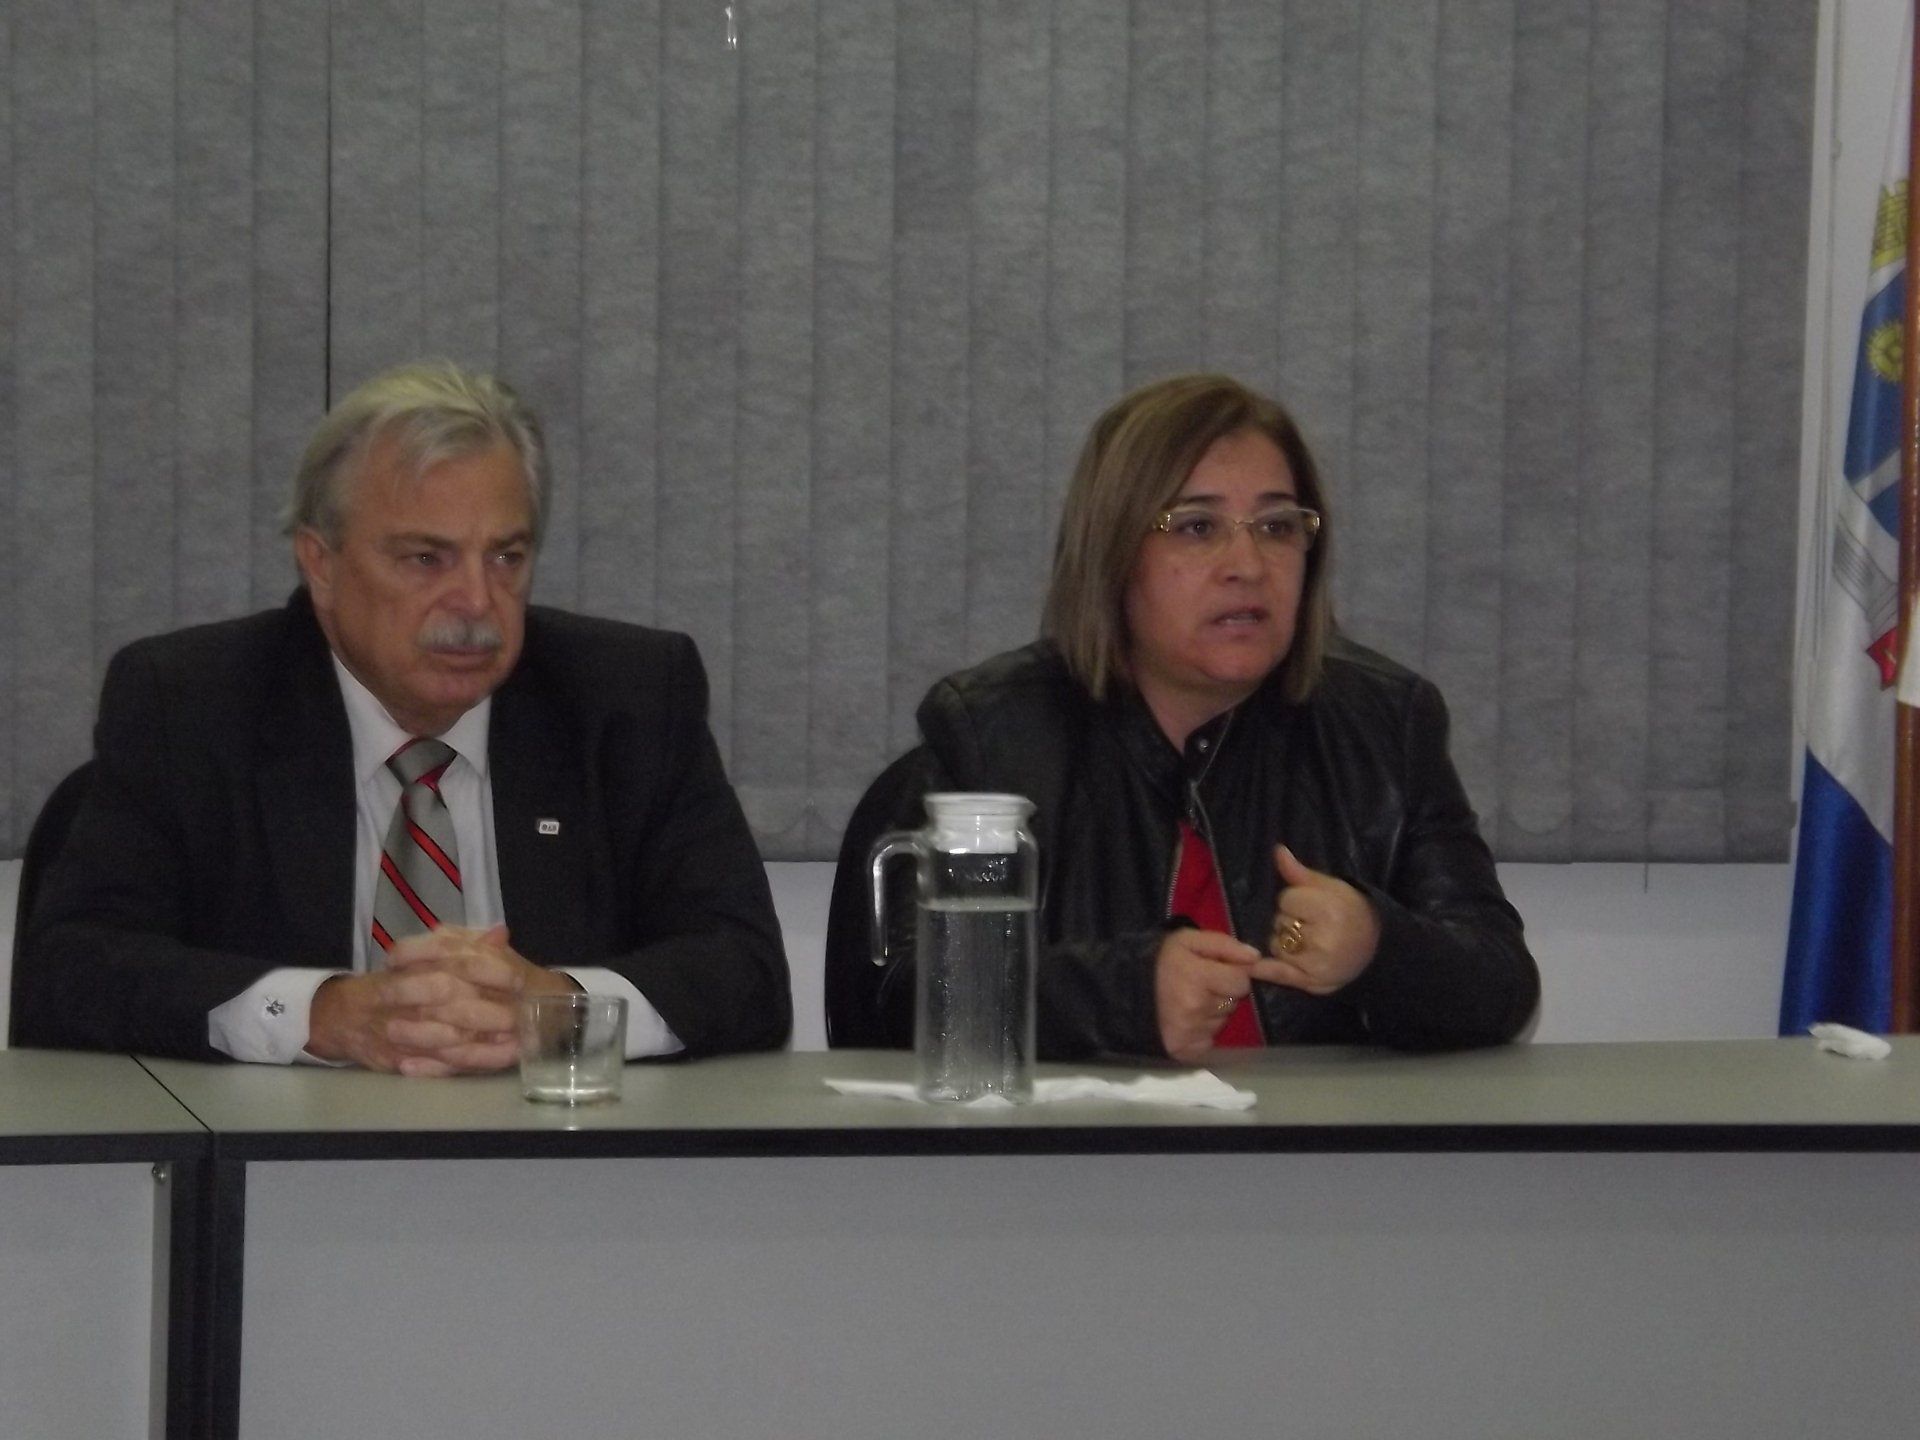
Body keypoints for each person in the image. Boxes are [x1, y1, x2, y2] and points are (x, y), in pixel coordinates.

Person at [14, 361, 790, 1069]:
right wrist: (319, 1014)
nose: (477, 602)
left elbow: (745, 972)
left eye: (506, 557)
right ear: (321, 564)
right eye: (426, 559)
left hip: (562, 1162)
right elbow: (73, 969)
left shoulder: (628, 700)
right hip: (282, 1161)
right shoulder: (190, 704)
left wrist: (560, 1008)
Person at [825, 373, 1537, 1062]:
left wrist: (1379, 947)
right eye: (1197, 527)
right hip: (1083, 1144)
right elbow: (895, 1003)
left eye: (1277, 526)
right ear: (1112, 555)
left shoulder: (1382, 725)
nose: (1247, 565)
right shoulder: (996, 736)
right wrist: (1124, 996)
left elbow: (1501, 984)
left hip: (1318, 1141)